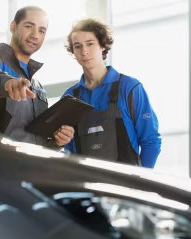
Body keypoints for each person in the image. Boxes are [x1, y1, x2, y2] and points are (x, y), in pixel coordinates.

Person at [0, 6, 74, 148]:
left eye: (42, 31)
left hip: (30, 165)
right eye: (29, 26)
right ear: (13, 27)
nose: (35, 35)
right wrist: (7, 82)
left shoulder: (37, 87)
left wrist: (57, 141)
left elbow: (35, 139)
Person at [62, 18, 161, 168]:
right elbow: (68, 150)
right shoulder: (70, 97)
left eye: (90, 43)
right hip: (87, 187)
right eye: (78, 46)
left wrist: (140, 182)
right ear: (73, 52)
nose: (84, 51)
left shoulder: (130, 88)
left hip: (127, 186)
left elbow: (151, 141)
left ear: (102, 45)